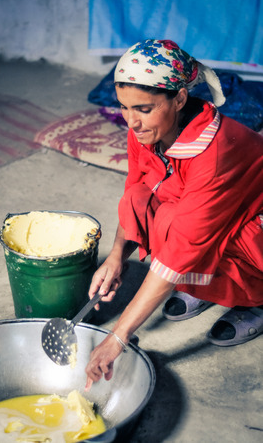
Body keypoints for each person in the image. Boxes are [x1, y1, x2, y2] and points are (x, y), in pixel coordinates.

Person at [85, 39, 263, 390]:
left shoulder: (214, 152)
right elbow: (135, 190)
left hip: (254, 219)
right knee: (144, 200)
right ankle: (207, 287)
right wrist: (117, 257)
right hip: (213, 213)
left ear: (180, 98)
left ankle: (255, 302)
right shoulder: (145, 130)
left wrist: (117, 337)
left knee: (200, 240)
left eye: (143, 109)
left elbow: (186, 244)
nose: (131, 121)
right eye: (124, 108)